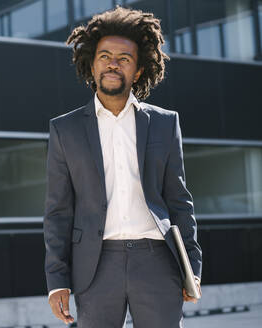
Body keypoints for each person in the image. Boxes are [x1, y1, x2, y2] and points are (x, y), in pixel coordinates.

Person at [43, 6, 202, 328]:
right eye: (105, 56)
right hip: (95, 264)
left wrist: (192, 267)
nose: (113, 64)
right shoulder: (65, 129)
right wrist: (57, 279)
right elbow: (58, 210)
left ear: (139, 71)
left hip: (158, 260)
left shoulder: (164, 123)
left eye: (124, 59)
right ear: (92, 62)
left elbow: (179, 200)